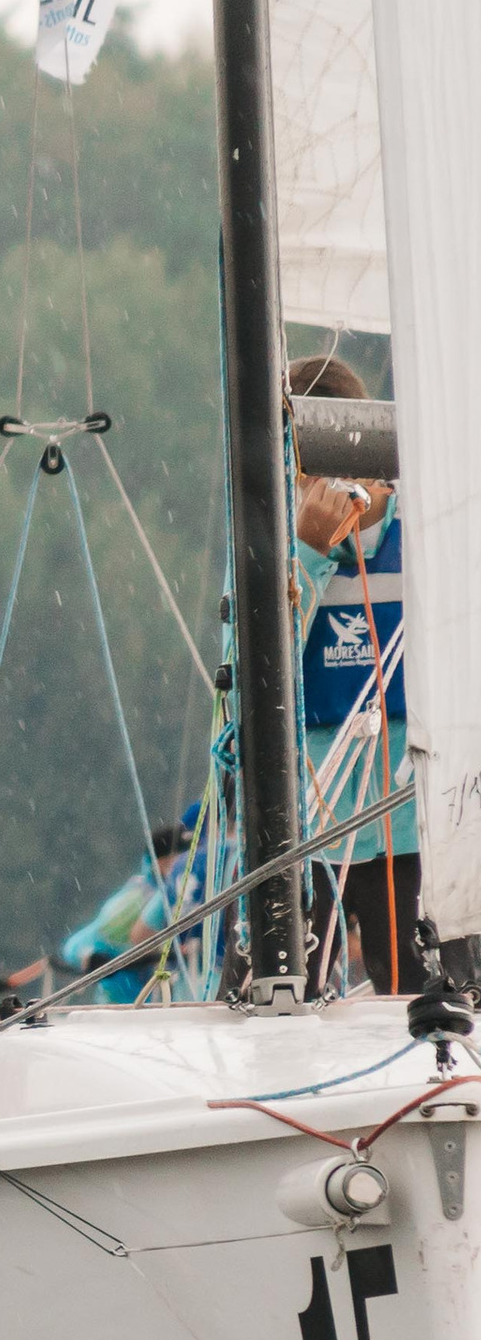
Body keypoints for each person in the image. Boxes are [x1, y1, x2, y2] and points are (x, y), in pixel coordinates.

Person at [290, 355, 418, 991]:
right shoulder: (276, 550)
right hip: (305, 832)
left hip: (409, 825)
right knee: (280, 995)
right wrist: (307, 553)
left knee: (420, 991)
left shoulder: (422, 539)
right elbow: (250, 682)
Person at [54, 821, 194, 1005]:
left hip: (162, 999)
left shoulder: (178, 892)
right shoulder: (139, 897)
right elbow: (76, 945)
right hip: (125, 1004)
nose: (192, 863)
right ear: (161, 863)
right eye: (185, 858)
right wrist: (90, 955)